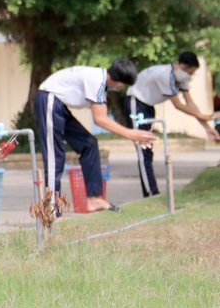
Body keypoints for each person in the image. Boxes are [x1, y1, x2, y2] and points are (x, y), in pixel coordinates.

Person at [34, 58, 157, 213]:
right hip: (49, 100)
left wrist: (132, 134)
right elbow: (100, 119)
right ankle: (51, 211)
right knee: (55, 157)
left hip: (59, 105)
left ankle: (94, 199)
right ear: (119, 83)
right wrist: (132, 134)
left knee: (89, 144)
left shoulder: (100, 82)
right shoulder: (97, 80)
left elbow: (101, 115)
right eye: (124, 85)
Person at [124, 51, 220, 197]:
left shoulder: (181, 78)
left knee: (148, 149)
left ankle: (152, 191)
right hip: (136, 103)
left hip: (149, 106)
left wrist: (206, 127)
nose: (189, 75)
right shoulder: (164, 75)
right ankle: (151, 193)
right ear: (179, 64)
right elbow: (178, 105)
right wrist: (205, 116)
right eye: (189, 71)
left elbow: (190, 104)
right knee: (143, 148)